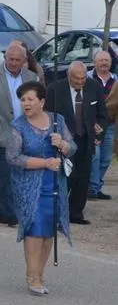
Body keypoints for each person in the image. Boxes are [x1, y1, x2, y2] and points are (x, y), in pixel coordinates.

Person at [7, 81, 76, 295]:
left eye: (30, 99)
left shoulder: (57, 120)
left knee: (48, 231)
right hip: (29, 186)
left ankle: (39, 273)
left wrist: (63, 145)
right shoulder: (18, 126)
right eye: (22, 100)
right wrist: (44, 163)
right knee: (34, 228)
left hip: (55, 183)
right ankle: (31, 276)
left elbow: (73, 146)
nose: (25, 103)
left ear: (42, 101)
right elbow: (13, 157)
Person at [0, 43, 38, 226]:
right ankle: (9, 215)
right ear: (5, 57)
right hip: (0, 133)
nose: (14, 63)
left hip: (25, 134)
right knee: (5, 175)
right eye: (11, 59)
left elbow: (39, 103)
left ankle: (1, 208)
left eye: (18, 60)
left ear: (24, 61)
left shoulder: (31, 77)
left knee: (20, 175)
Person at [43, 61, 106, 225]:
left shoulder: (94, 87)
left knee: (83, 178)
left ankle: (75, 213)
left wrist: (100, 127)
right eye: (76, 78)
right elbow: (47, 115)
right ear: (68, 76)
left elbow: (102, 113)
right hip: (64, 140)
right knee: (66, 176)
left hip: (85, 139)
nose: (80, 82)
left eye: (83, 78)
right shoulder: (55, 90)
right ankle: (57, 212)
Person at [87, 50, 115, 200]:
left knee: (105, 159)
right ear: (94, 62)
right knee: (94, 156)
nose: (104, 63)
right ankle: (91, 188)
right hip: (93, 124)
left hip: (110, 125)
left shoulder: (115, 80)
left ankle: (97, 186)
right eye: (101, 60)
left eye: (106, 60)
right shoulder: (87, 78)